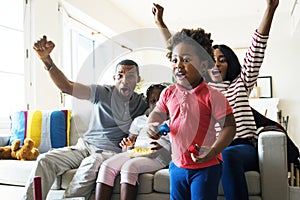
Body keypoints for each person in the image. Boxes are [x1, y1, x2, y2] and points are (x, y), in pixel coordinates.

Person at [152, 1, 279, 199]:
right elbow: (180, 51)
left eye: (223, 59)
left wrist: (270, 9)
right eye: (214, 59)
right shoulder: (202, 88)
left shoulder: (241, 83)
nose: (217, 63)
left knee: (227, 156)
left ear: (231, 63)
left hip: (240, 146)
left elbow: (256, 51)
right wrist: (160, 23)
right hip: (207, 150)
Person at [22, 36, 148, 200]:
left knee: (89, 166)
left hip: (109, 152)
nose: (124, 80)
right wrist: (46, 60)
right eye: (120, 75)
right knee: (45, 160)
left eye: (130, 76)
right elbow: (67, 87)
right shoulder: (102, 93)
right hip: (84, 146)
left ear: (137, 80)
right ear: (114, 78)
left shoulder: (142, 103)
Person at [146, 27, 236, 200]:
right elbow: (157, 113)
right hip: (177, 166)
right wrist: (152, 124)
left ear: (203, 64)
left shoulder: (212, 96)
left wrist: (213, 150)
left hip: (206, 167)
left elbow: (230, 126)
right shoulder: (168, 93)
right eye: (174, 60)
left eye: (186, 60)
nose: (178, 65)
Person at [95, 83, 171, 200]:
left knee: (129, 167)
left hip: (159, 157)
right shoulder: (139, 120)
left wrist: (163, 150)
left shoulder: (172, 121)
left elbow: (177, 149)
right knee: (106, 166)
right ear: (148, 103)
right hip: (136, 153)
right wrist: (127, 146)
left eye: (160, 101)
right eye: (153, 101)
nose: (157, 104)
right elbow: (129, 147)